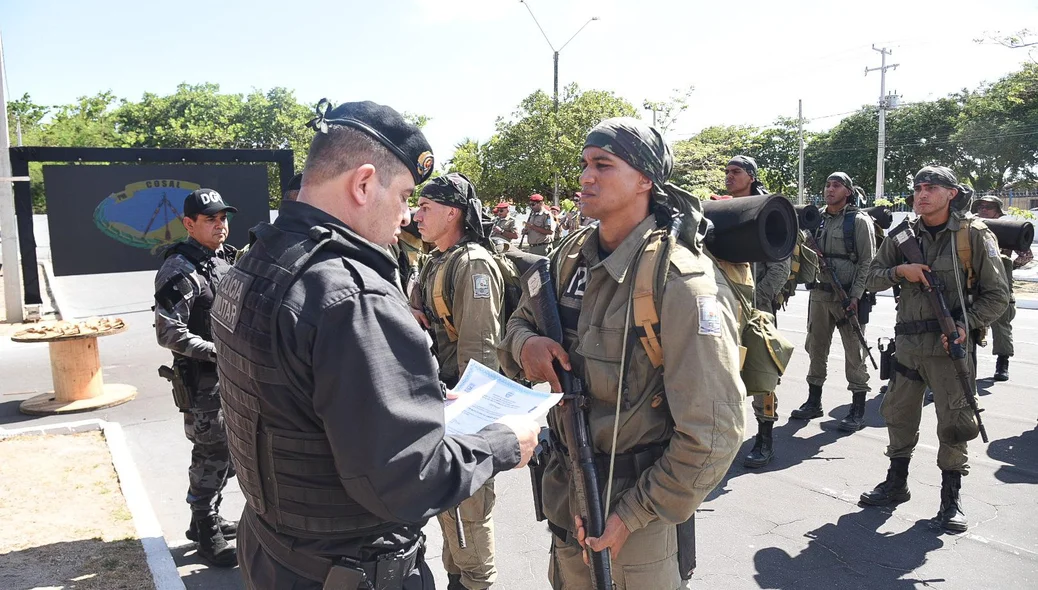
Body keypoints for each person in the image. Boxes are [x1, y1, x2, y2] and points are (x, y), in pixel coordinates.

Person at [211, 100, 539, 589]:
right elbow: (409, 482)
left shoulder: (260, 257)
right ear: (363, 184)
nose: (407, 215)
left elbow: (295, 401)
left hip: (276, 550)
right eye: (406, 195)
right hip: (350, 570)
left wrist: (411, 398)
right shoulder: (352, 296)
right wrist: (502, 444)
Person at [499, 117, 745, 589]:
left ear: (645, 180)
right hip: (567, 495)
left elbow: (714, 433)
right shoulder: (569, 255)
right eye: (585, 164)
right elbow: (518, 321)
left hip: (637, 522)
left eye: (603, 165)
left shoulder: (679, 282)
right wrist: (526, 345)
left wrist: (630, 516)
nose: (586, 177)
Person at [860, 166, 1009, 532]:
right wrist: (901, 272)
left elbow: (998, 296)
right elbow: (870, 278)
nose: (921, 194)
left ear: (951, 193)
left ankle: (950, 499)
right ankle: (896, 484)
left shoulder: (972, 235)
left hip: (950, 346)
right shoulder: (901, 236)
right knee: (897, 414)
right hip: (908, 345)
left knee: (956, 422)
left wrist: (965, 324)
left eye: (930, 187)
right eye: (917, 187)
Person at [410, 173, 504, 590]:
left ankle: (476, 583)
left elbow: (481, 355)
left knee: (469, 510)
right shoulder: (435, 260)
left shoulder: (473, 265)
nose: (416, 215)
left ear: (453, 213)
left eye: (426, 207)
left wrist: (467, 424)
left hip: (465, 405)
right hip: (442, 400)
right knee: (449, 508)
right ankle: (457, 578)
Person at [154, 188, 239, 567]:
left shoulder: (224, 259)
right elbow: (167, 331)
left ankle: (205, 516)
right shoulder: (180, 268)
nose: (220, 225)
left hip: (234, 380)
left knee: (235, 453)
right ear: (189, 224)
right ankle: (206, 533)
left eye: (223, 218)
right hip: (204, 383)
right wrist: (219, 352)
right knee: (212, 452)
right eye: (210, 219)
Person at [722, 155, 791, 468]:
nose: (729, 176)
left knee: (763, 374)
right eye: (726, 172)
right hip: (724, 307)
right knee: (722, 372)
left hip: (755, 309)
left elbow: (780, 264)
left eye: (735, 172)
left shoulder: (767, 209)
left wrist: (754, 301)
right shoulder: (721, 208)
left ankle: (765, 437)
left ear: (751, 176)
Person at [793, 172, 876, 432]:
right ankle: (814, 401)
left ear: (848, 191)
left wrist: (855, 296)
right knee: (816, 348)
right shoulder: (815, 219)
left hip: (848, 298)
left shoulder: (858, 222)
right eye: (827, 185)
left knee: (854, 353)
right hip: (819, 294)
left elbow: (867, 263)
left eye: (836, 186)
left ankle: (857, 408)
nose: (830, 189)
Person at [971, 195, 1031, 381]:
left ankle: (1002, 363)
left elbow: (1026, 255)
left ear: (998, 211)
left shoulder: (1006, 230)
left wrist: (1009, 266)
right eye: (981, 206)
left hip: (999, 283)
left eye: (989, 207)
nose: (984, 210)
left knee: (1002, 323)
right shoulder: (972, 228)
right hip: (973, 282)